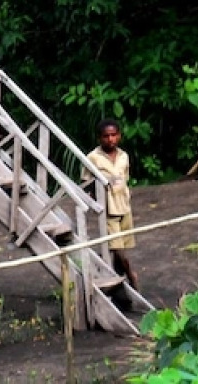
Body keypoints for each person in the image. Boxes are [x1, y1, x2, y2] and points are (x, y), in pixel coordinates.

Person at [87, 118, 140, 298]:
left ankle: (120, 292)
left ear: (119, 136)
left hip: (124, 206)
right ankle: (131, 275)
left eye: (113, 135)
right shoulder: (93, 158)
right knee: (117, 249)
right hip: (108, 209)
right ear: (99, 138)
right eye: (106, 136)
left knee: (120, 249)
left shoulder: (123, 156)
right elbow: (86, 183)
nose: (110, 139)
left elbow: (125, 177)